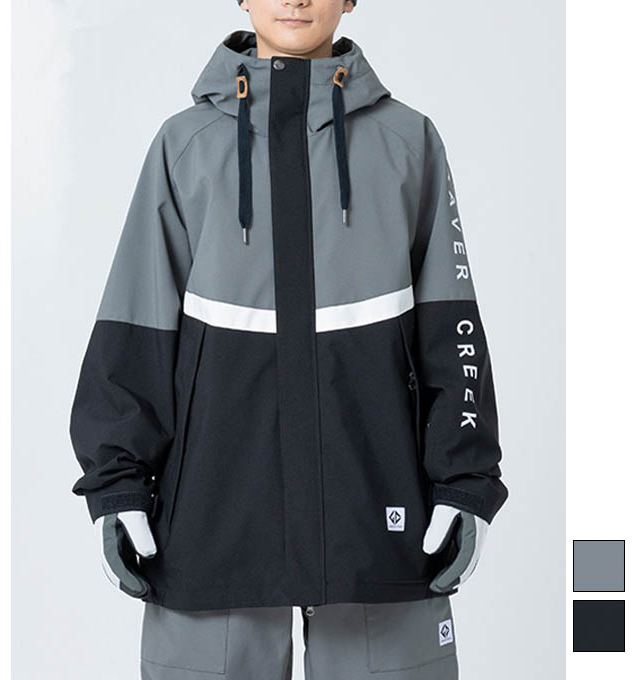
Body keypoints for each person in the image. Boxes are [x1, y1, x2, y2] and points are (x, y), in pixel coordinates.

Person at [69, 1, 508, 678]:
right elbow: (136, 323)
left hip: (379, 511)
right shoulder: (186, 145)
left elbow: (452, 330)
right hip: (216, 517)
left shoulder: (408, 142)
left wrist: (464, 480)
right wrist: (117, 484)